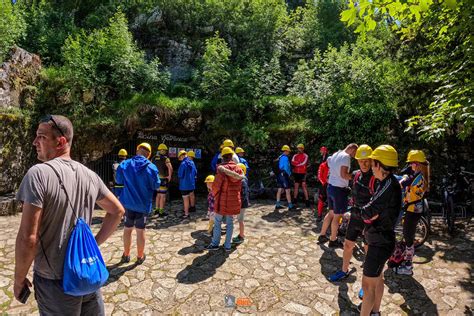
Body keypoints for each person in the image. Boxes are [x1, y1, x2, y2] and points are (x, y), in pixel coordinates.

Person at [14, 115, 124, 314]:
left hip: (55, 282)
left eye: (41, 137)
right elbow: (117, 211)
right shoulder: (89, 175)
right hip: (86, 273)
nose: (34, 142)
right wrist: (93, 243)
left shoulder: (38, 174)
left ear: (61, 141)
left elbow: (28, 238)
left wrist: (18, 279)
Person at [359, 145, 401, 315]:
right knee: (377, 280)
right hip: (381, 240)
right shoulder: (387, 183)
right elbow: (374, 211)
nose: (370, 166)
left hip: (379, 243)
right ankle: (375, 311)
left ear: (379, 165)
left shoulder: (388, 184)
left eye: (372, 162)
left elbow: (371, 210)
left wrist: (357, 213)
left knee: (367, 286)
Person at [329, 145, 377, 282]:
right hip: (356, 216)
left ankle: (366, 281)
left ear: (372, 160)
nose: (364, 164)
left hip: (369, 219)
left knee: (368, 249)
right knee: (348, 245)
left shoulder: (376, 178)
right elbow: (354, 196)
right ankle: (344, 270)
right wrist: (350, 211)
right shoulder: (355, 175)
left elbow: (377, 201)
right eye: (361, 161)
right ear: (357, 161)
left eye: (367, 160)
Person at [116, 142, 160, 264]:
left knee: (127, 228)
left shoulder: (125, 164)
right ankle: (140, 257)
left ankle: (126, 255)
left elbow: (118, 180)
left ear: (137, 151)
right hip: (143, 205)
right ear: (149, 155)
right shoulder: (152, 167)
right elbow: (156, 185)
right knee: (140, 231)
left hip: (128, 204)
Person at [318, 143, 358, 248]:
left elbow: (328, 163)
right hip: (339, 190)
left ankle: (322, 235)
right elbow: (343, 175)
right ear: (352, 149)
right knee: (337, 216)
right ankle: (333, 240)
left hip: (330, 187)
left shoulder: (336, 154)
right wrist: (356, 177)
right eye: (355, 153)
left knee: (330, 213)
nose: (355, 156)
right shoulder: (345, 157)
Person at [396, 150, 430, 275]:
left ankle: (408, 267)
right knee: (408, 236)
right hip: (414, 209)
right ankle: (406, 262)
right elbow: (405, 172)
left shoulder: (417, 178)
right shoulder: (419, 173)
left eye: (412, 163)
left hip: (413, 210)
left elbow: (404, 182)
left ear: (417, 164)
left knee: (409, 239)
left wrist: (401, 181)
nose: (410, 165)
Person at [206, 147, 244, 252]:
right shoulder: (239, 169)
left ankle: (215, 244)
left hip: (222, 201)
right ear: (232, 156)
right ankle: (227, 245)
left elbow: (216, 186)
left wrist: (213, 195)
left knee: (218, 222)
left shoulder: (221, 170)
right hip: (233, 200)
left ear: (222, 157)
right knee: (230, 223)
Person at [153, 143, 173, 217]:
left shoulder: (154, 158)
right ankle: (161, 212)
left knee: (158, 195)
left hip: (156, 179)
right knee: (163, 196)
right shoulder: (166, 158)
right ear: (164, 150)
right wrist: (169, 176)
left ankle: (156, 210)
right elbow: (170, 168)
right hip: (163, 179)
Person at [232, 163, 250, 244]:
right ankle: (241, 234)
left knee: (240, 220)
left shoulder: (242, 181)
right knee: (240, 220)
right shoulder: (244, 179)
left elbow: (242, 194)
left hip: (242, 203)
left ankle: (241, 236)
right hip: (243, 202)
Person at [275, 145, 296, 211]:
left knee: (279, 189)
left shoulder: (280, 157)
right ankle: (290, 205)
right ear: (286, 151)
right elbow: (286, 167)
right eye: (288, 151)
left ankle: (277, 204)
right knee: (287, 190)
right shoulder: (285, 158)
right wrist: (289, 174)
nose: (289, 152)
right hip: (284, 175)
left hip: (279, 175)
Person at [178, 150, 197, 219]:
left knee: (185, 199)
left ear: (181, 156)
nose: (179, 159)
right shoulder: (192, 162)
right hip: (191, 184)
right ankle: (192, 207)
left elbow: (180, 174)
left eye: (179, 158)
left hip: (184, 185)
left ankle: (186, 214)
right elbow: (195, 172)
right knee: (191, 195)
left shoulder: (183, 164)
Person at [316, 148, 330, 222]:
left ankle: (329, 217)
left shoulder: (333, 165)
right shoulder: (322, 165)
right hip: (323, 185)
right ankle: (319, 215)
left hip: (331, 185)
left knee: (330, 201)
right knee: (321, 200)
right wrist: (324, 183)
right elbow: (319, 175)